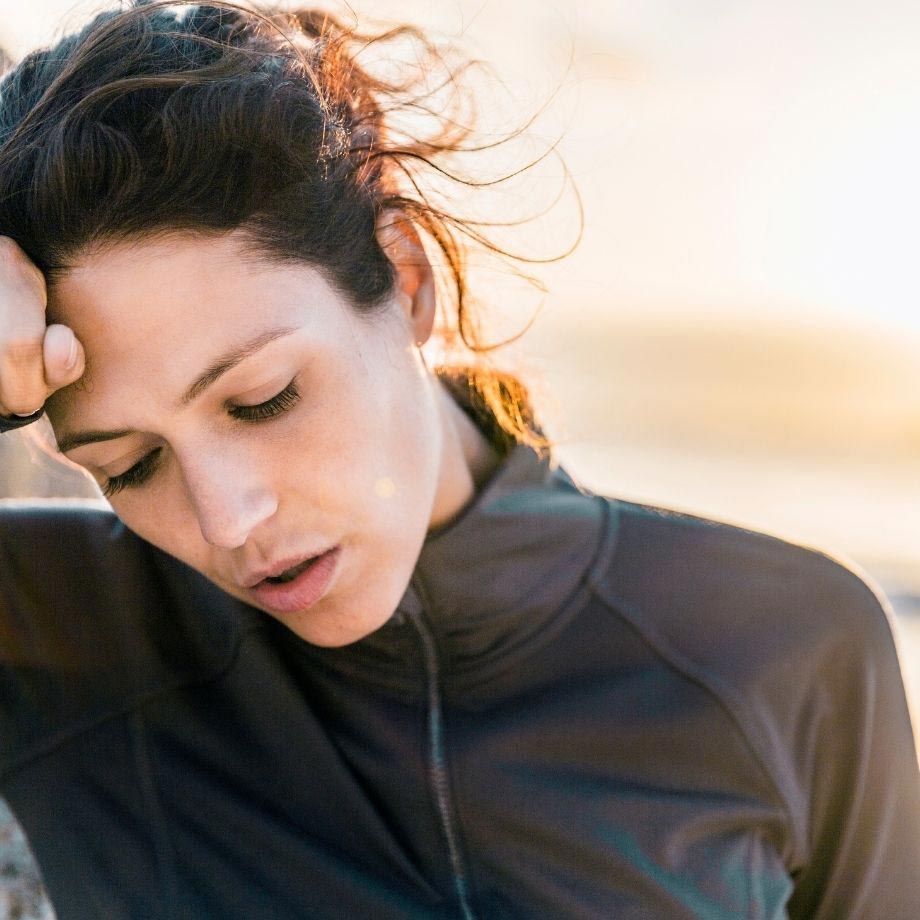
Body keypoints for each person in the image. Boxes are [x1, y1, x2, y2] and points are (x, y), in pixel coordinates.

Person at [0, 2, 917, 918]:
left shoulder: (785, 648)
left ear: (403, 276)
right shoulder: (53, 626)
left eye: (263, 399)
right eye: (127, 466)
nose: (224, 518)